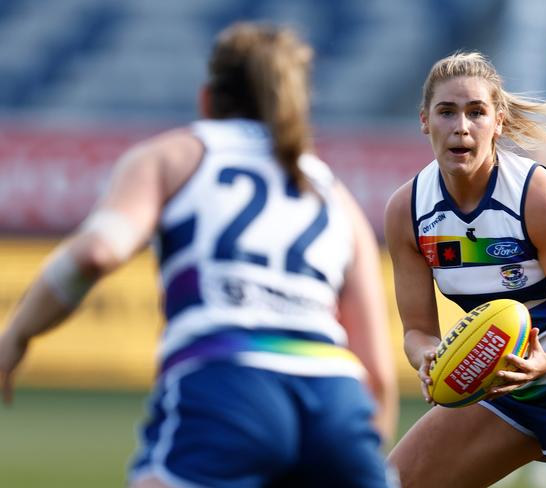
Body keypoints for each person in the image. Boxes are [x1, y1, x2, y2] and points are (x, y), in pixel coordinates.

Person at [0, 22, 398, 488]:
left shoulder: (173, 156)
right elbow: (379, 377)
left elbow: (98, 252)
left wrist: (17, 336)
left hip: (227, 382)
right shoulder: (335, 195)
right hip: (336, 400)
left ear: (207, 99)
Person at [384, 51, 546, 487]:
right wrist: (429, 359)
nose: (462, 126)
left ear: (499, 122)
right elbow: (417, 330)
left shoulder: (537, 196)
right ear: (424, 121)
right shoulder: (407, 211)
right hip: (502, 388)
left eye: (476, 112)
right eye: (447, 112)